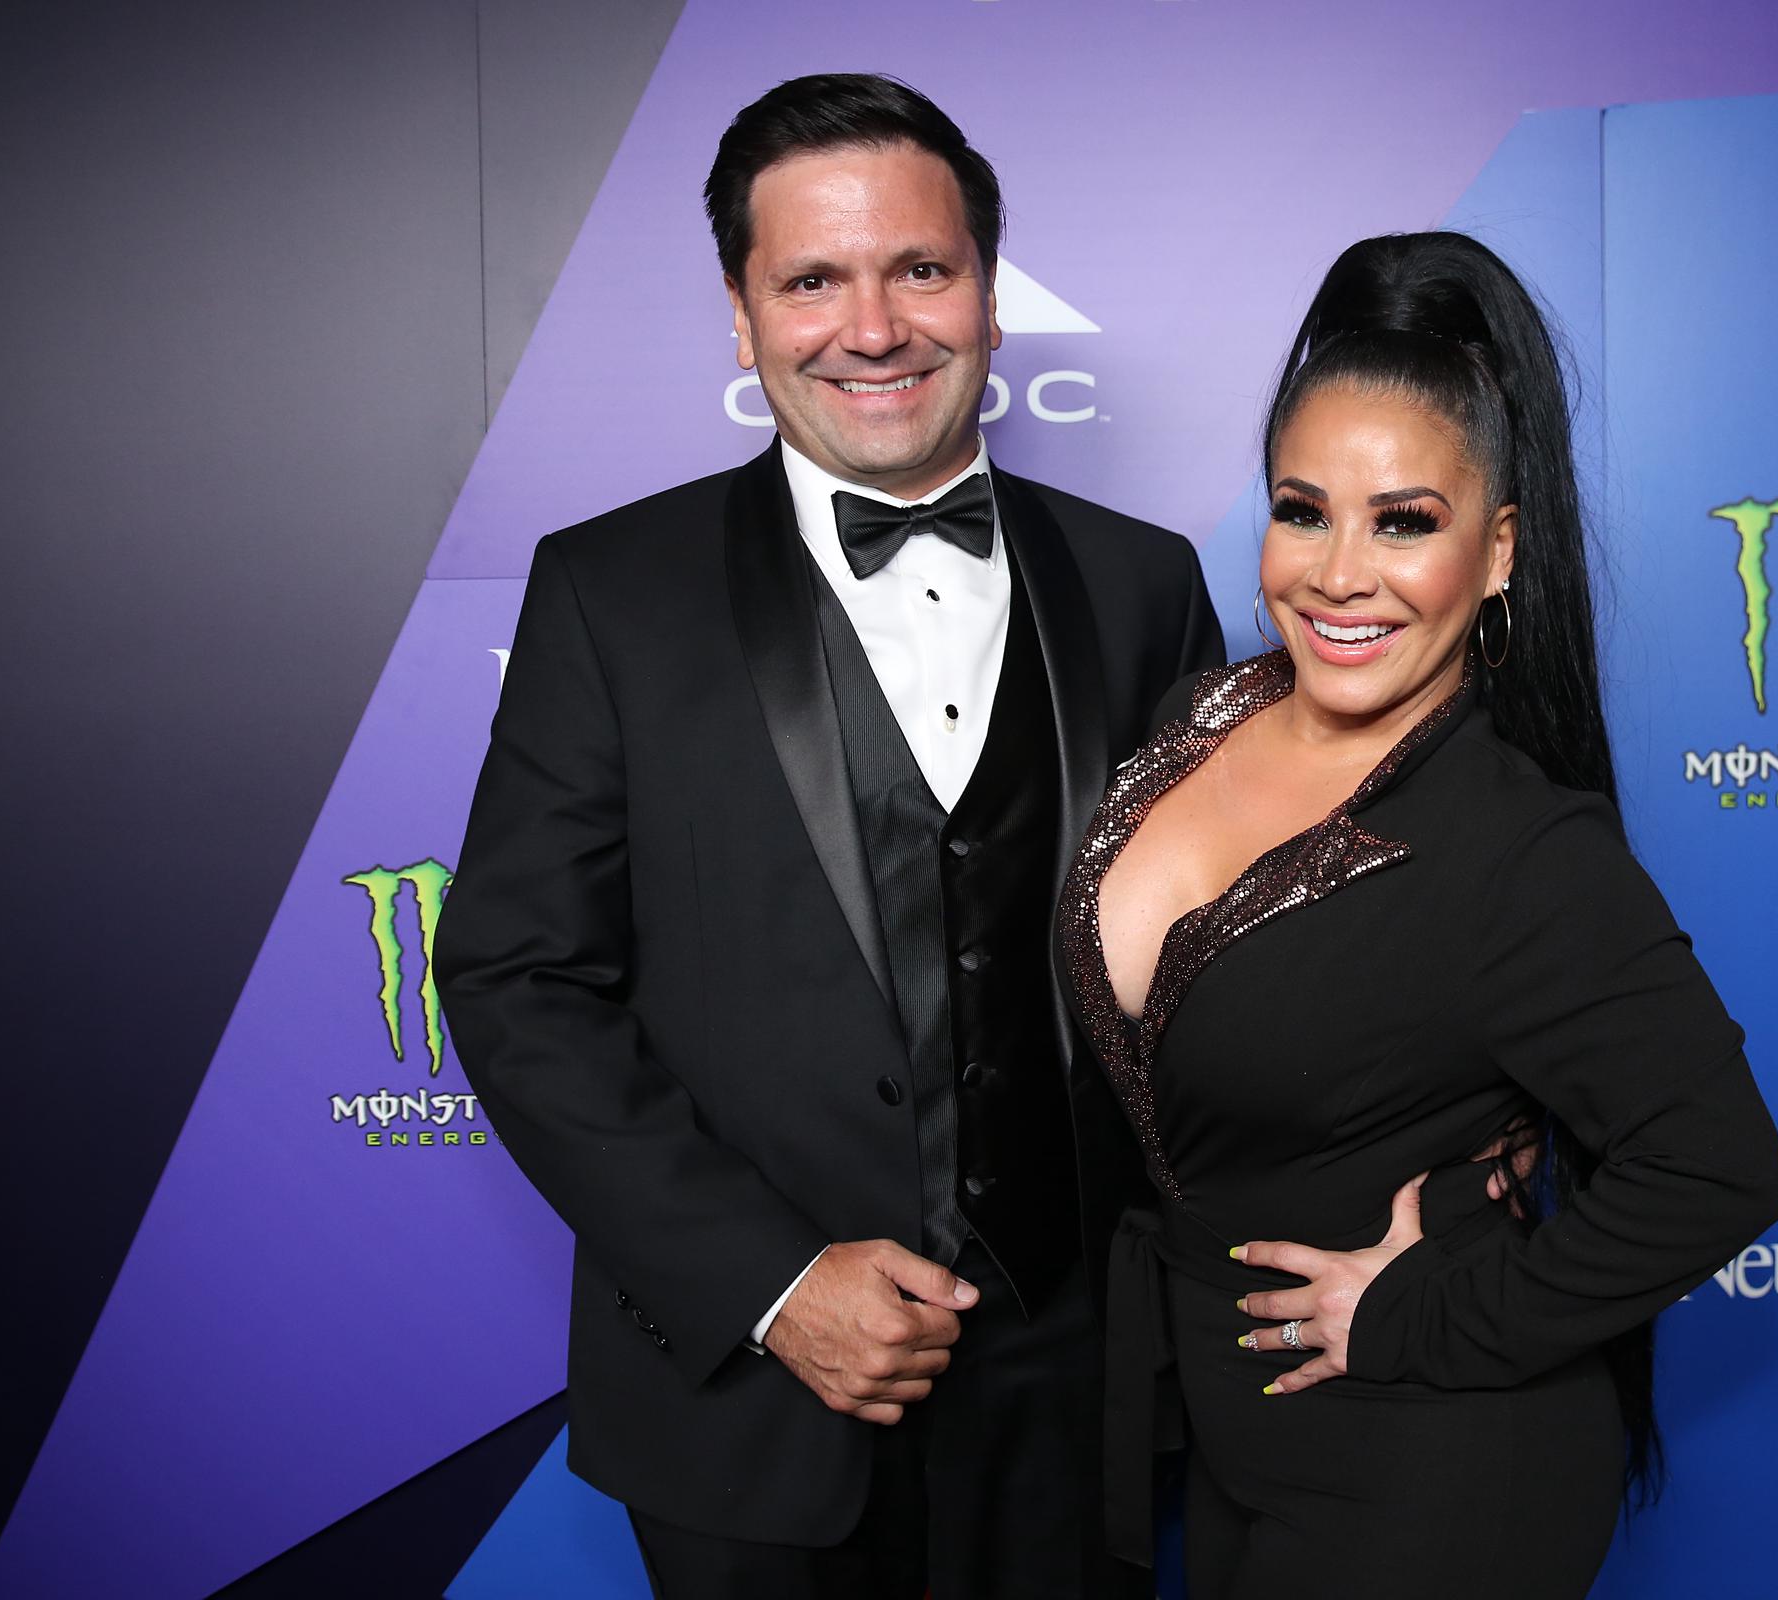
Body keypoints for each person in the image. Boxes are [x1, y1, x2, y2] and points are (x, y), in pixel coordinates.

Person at [435, 73, 1223, 1599]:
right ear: (742, 316)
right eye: (813, 279)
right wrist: (776, 1285)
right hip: (749, 1403)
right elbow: (518, 980)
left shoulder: (1144, 584)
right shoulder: (612, 593)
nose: (874, 328)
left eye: (920, 269)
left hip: (1080, 1393)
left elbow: (1227, 962)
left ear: (990, 296)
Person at [1058, 231, 1778, 1595]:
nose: (1339, 572)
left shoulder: (1522, 849)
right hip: (1229, 1448)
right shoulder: (1197, 717)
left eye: (1405, 522)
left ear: (1499, 551)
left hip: (1434, 1472)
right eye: (1301, 509)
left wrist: (1430, 1310)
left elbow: (1721, 1171)